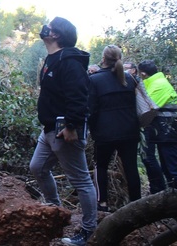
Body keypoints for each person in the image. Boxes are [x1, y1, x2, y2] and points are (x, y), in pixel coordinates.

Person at [28, 17, 97, 246]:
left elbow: (79, 97)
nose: (44, 27)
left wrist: (71, 126)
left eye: (48, 25)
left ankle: (89, 231)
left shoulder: (70, 61)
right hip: (49, 129)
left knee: (81, 181)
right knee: (37, 167)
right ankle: (55, 210)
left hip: (64, 130)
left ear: (55, 34)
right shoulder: (52, 58)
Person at [88, 45, 141, 213]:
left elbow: (91, 108)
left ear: (103, 59)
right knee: (131, 167)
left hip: (105, 132)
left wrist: (92, 128)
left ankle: (102, 203)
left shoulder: (94, 80)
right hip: (130, 131)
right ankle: (137, 205)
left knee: (100, 166)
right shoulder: (130, 79)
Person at [137, 60, 177, 193]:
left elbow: (149, 108)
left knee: (173, 168)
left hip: (170, 131)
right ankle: (174, 200)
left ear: (143, 73)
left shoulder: (159, 85)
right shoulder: (155, 82)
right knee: (168, 168)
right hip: (165, 132)